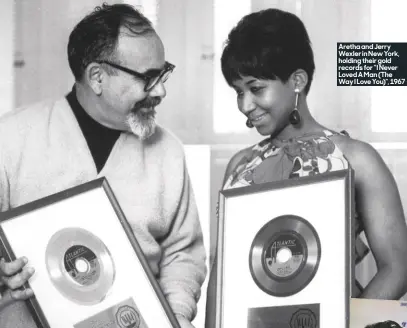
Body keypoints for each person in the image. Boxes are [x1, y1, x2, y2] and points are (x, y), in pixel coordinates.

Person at [0, 4, 206, 328]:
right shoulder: (9, 140)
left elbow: (182, 256)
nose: (162, 90)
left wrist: (175, 317)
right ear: (97, 77)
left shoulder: (168, 152)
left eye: (163, 73)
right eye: (149, 78)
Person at [206, 7, 407, 328]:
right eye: (238, 91)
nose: (244, 105)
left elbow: (398, 268)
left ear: (297, 80)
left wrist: (346, 323)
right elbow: (222, 273)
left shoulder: (357, 158)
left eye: (255, 88)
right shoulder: (239, 165)